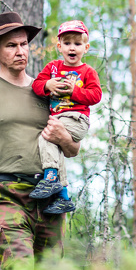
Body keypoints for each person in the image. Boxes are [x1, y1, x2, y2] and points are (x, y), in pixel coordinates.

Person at [0, 12, 81, 268]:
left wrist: (65, 137)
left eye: (23, 44)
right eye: (11, 46)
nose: (20, 51)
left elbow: (72, 149)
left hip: (50, 196)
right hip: (6, 194)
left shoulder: (47, 92)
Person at [29, 20, 102, 214]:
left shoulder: (87, 72)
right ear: (59, 46)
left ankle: (51, 176)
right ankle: (63, 197)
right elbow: (36, 85)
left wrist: (74, 92)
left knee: (46, 138)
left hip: (76, 118)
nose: (72, 47)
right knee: (53, 146)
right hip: (59, 119)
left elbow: (95, 96)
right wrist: (48, 86)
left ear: (86, 48)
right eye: (67, 43)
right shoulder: (52, 68)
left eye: (77, 44)